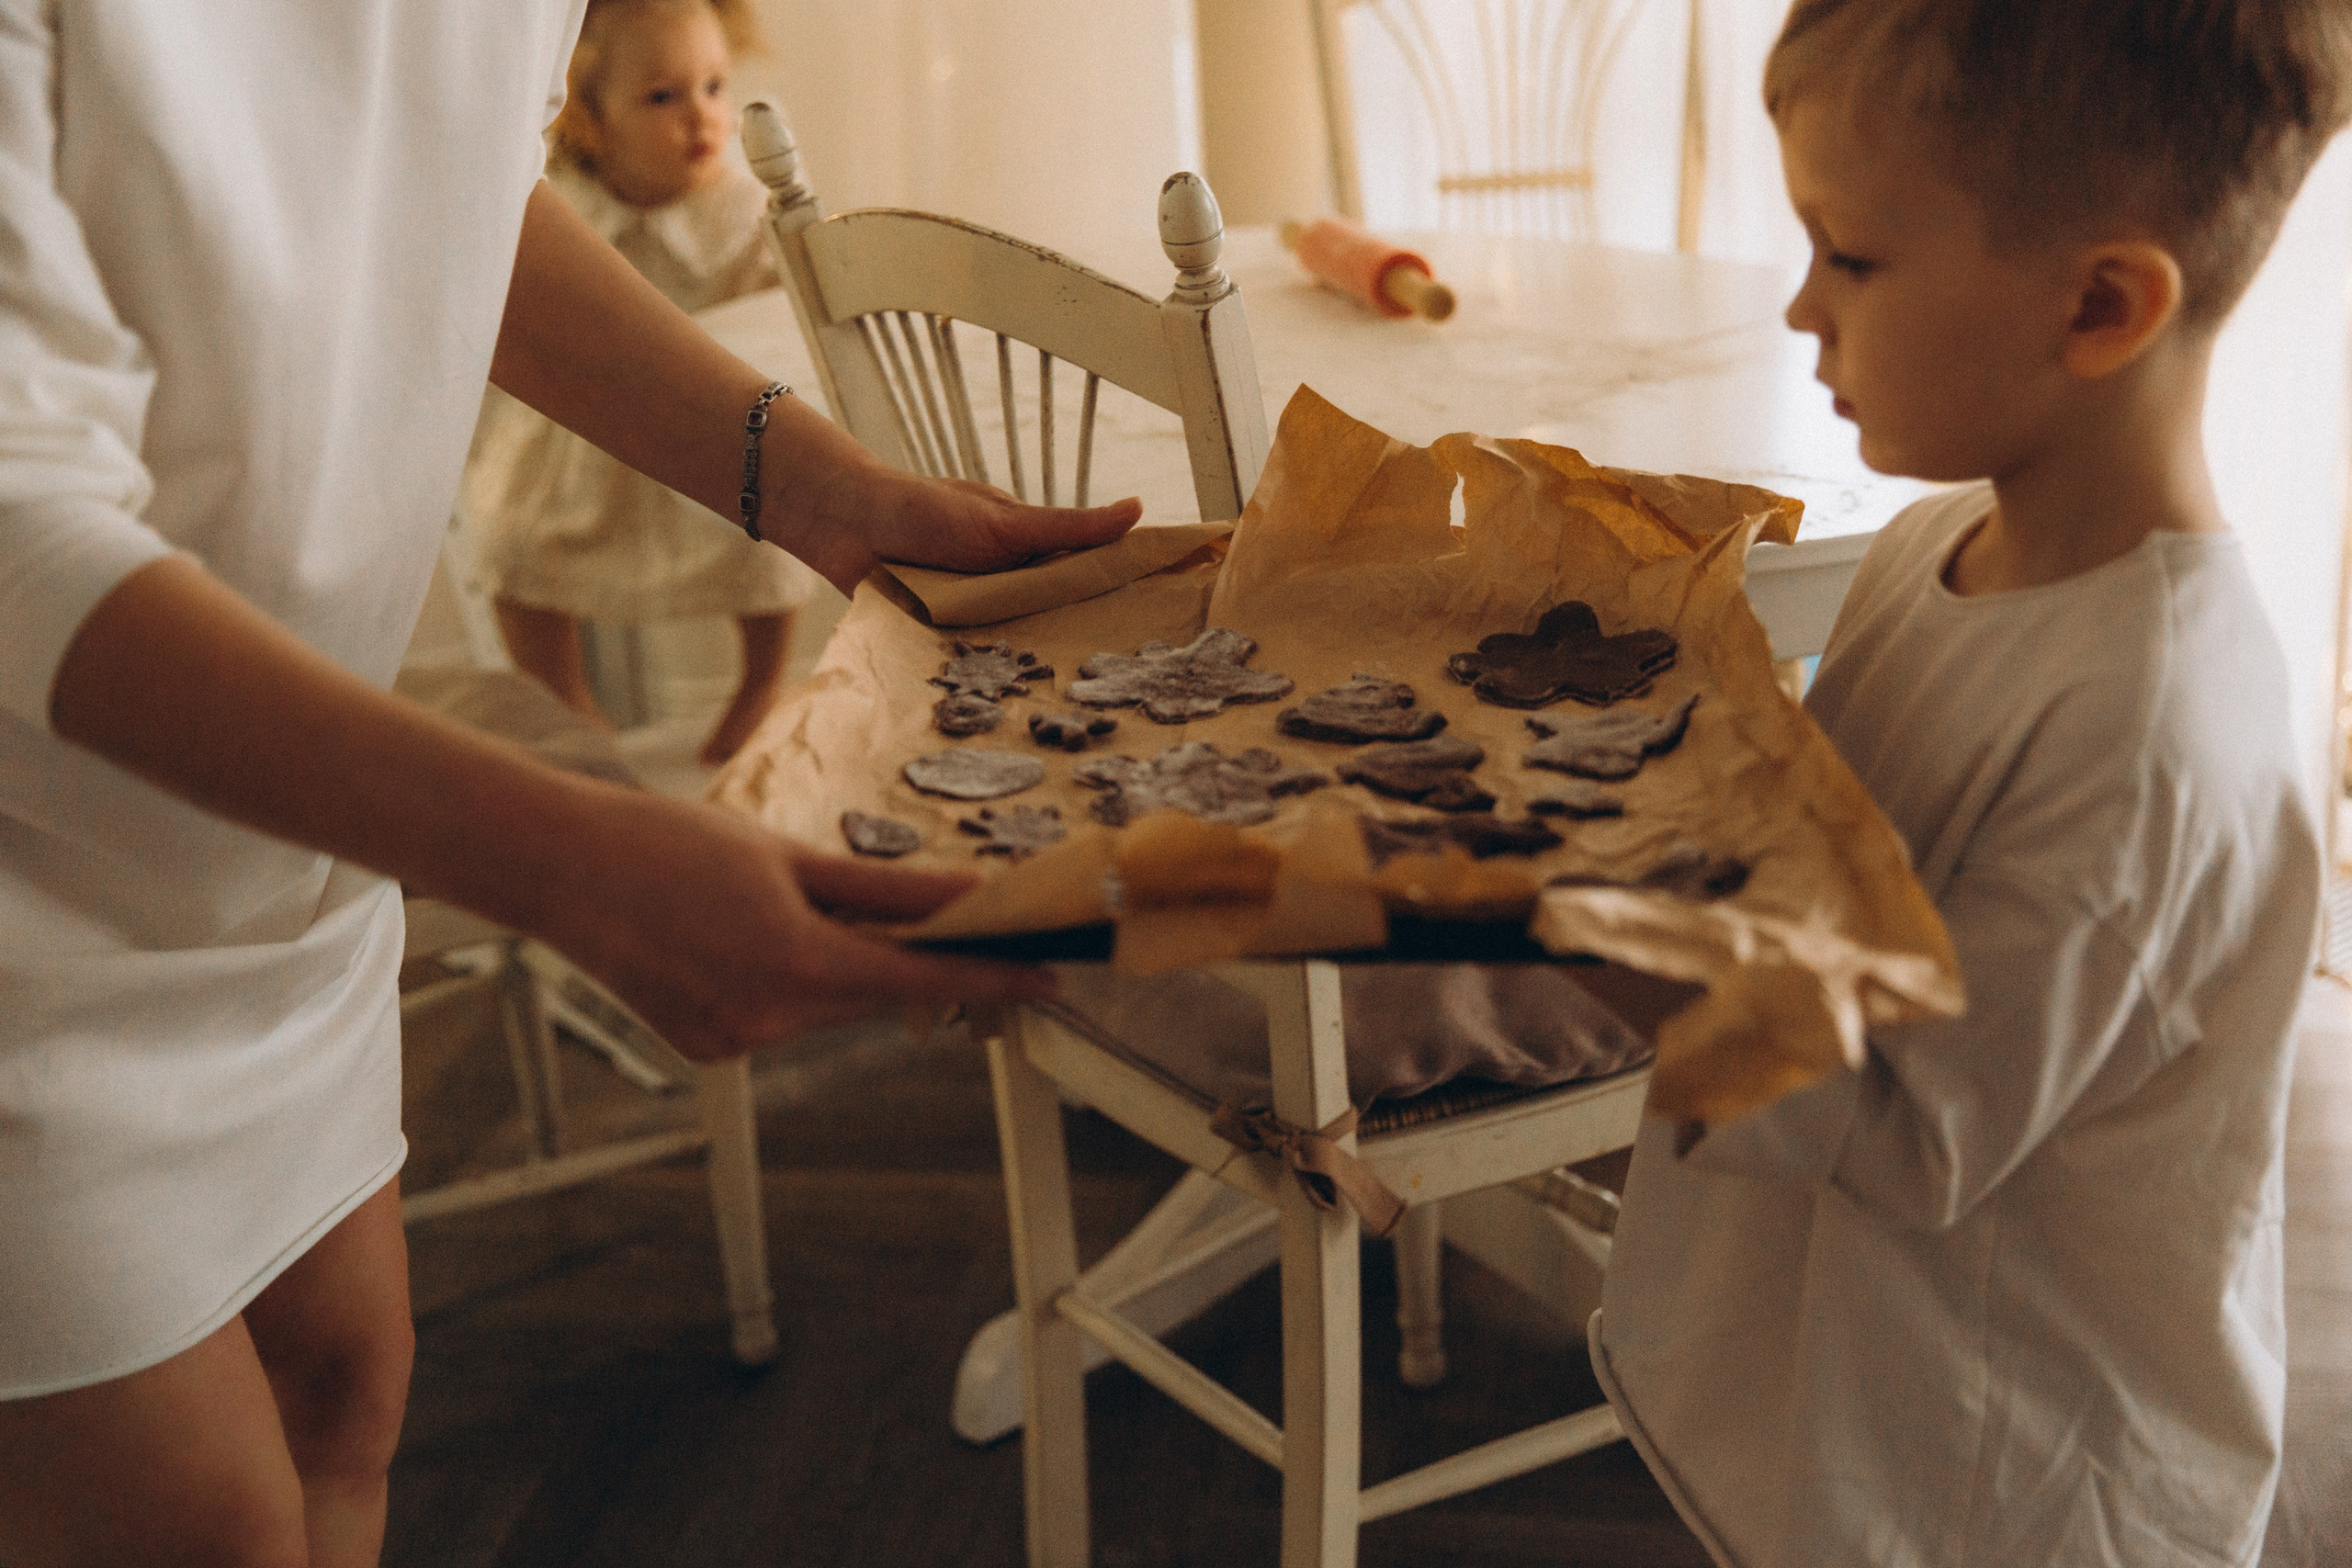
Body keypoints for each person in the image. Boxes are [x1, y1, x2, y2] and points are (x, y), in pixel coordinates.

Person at [0, 4, 1137, 1564]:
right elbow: (17, 529)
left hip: (281, 840)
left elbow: (457, 197)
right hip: (28, 908)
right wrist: (573, 861)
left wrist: (827, 491)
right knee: (207, 1517)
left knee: (347, 1393)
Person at [1586, 4, 2349, 1564]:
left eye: (1849, 258)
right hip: (1853, 1390)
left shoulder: (2154, 737)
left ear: (2099, 305)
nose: (1803, 308)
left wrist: (1569, 920)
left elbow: (1908, 1125)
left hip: (2012, 1478)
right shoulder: (1933, 549)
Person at [465, 0, 810, 765]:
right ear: (589, 116)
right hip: (580, 436)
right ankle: (565, 699)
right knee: (512, 539)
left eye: (715, 87)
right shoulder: (563, 205)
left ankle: (759, 686)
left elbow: (790, 317)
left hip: (712, 431)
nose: (701, 117)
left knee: (770, 535)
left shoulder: (741, 211)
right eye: (663, 96)